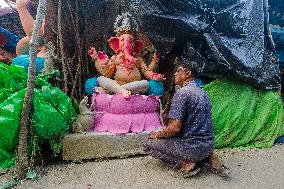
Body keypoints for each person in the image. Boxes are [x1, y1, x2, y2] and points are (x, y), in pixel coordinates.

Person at [143, 59, 222, 177]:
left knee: (147, 144)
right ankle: (208, 156)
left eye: (178, 71)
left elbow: (174, 128)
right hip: (209, 145)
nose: (175, 74)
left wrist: (158, 134)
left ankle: (186, 162)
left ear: (188, 73)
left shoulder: (182, 93)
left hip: (192, 147)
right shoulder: (203, 92)